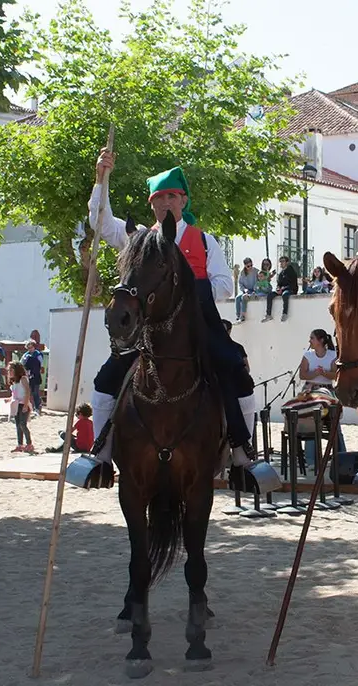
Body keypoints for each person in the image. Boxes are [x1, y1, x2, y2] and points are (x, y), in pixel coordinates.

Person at [88, 153, 259, 469]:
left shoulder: (205, 241)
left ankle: (242, 455)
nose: (166, 202)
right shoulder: (139, 238)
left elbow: (224, 285)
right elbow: (100, 222)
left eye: (172, 196)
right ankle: (101, 454)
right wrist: (102, 179)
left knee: (237, 377)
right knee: (104, 382)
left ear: (183, 200)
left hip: (199, 328)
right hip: (148, 333)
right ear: (151, 204)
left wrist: (184, 288)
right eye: (159, 197)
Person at [7, 361, 35, 453]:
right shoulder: (14, 381)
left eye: (12, 370)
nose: (10, 371)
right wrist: (9, 399)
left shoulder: (23, 379)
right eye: (9, 370)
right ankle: (20, 445)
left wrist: (26, 405)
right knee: (18, 425)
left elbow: (27, 392)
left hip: (23, 403)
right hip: (16, 404)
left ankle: (29, 444)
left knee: (23, 424)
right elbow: (15, 393)